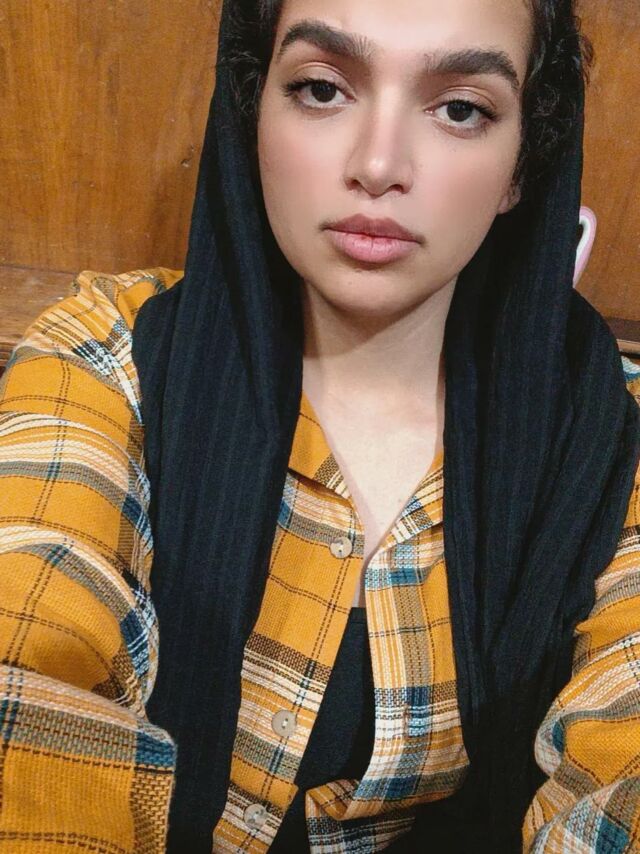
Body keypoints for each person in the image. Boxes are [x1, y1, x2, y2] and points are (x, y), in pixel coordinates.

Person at [1, 0, 639, 851]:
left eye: (460, 109)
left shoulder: (612, 436)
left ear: (521, 166)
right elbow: (30, 660)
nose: (377, 165)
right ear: (252, 111)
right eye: (322, 89)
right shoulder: (107, 357)